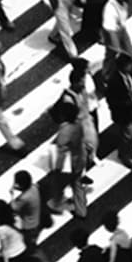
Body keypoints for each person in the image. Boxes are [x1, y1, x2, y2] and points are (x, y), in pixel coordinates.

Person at [47, 83, 88, 219]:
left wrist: (56, 167)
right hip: (79, 159)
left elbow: (61, 149)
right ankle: (81, 210)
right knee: (77, 184)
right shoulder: (78, 125)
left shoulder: (65, 130)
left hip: (68, 164)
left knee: (57, 183)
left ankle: (57, 204)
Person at [105, 53, 132, 168]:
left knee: (126, 133)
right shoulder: (114, 81)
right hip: (122, 112)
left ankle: (129, 149)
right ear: (123, 66)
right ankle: (125, 155)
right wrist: (127, 104)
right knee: (128, 133)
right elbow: (111, 100)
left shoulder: (130, 74)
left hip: (129, 109)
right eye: (130, 65)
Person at [102, 0, 132, 79]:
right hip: (111, 32)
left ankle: (130, 69)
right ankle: (107, 75)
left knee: (130, 52)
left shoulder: (123, 3)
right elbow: (109, 29)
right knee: (112, 55)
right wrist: (115, 47)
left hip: (120, 28)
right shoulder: (109, 9)